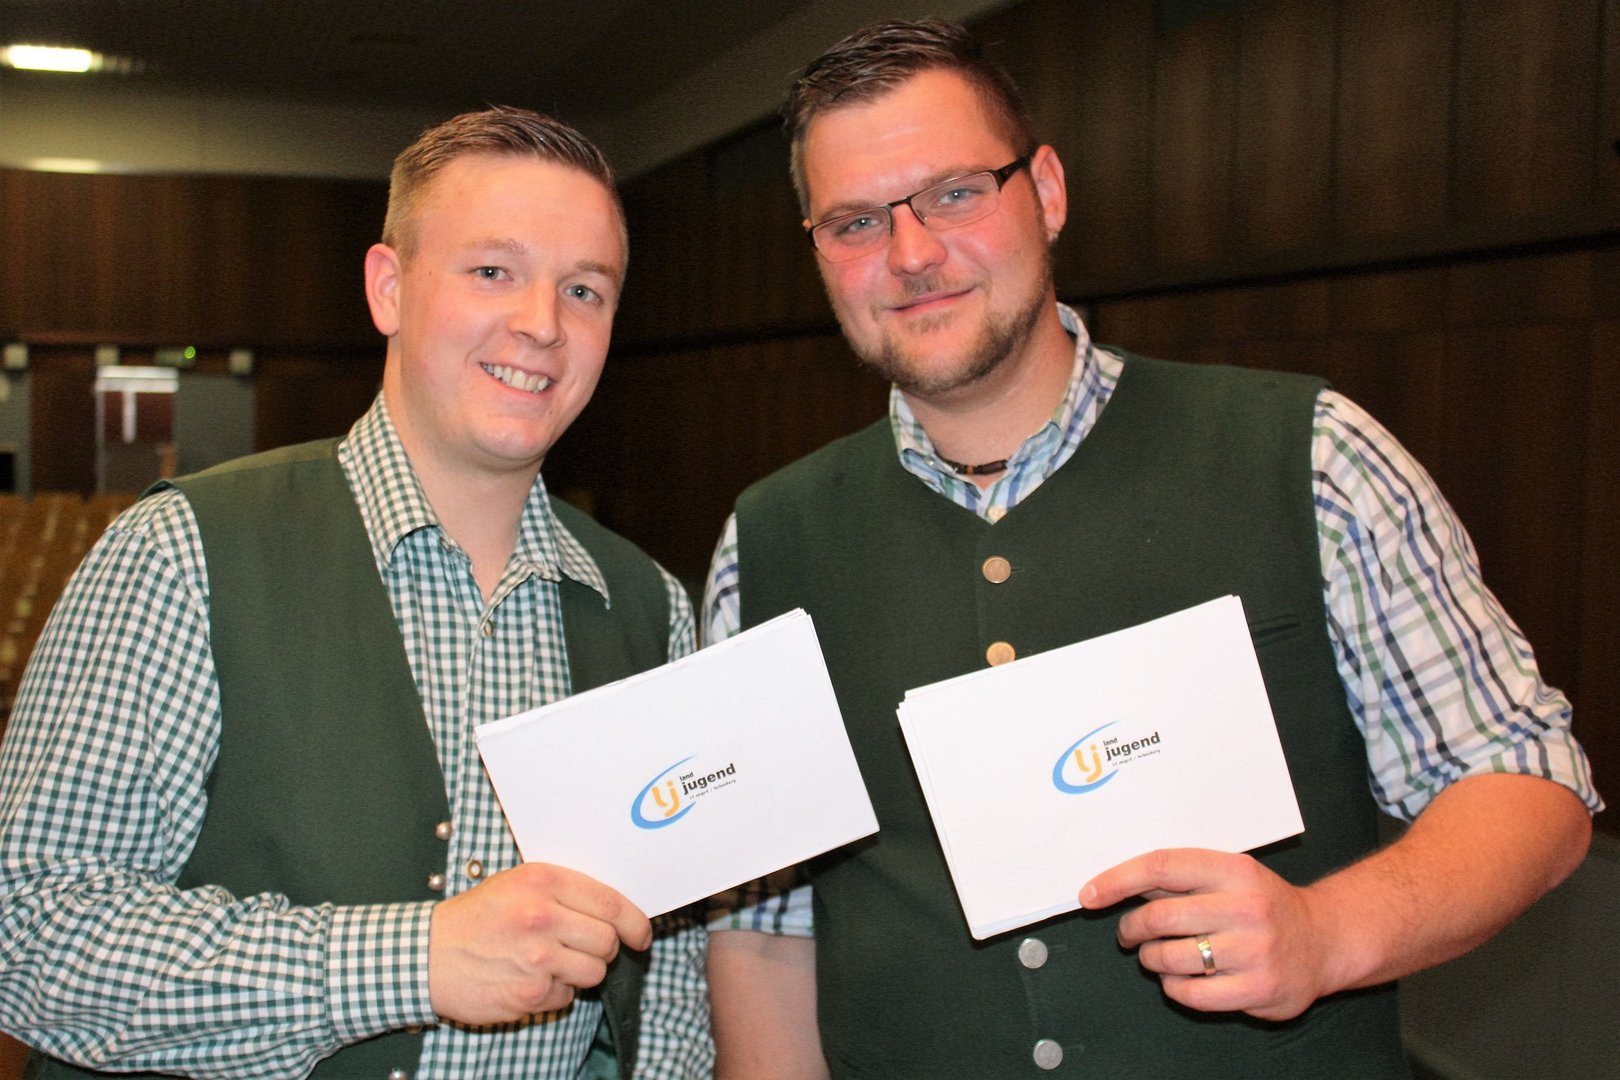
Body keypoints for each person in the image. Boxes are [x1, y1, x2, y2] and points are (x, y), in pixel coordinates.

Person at [703, 19, 1601, 1080]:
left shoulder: (1312, 457)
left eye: (954, 193)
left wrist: (1327, 933)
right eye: (855, 222)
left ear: (1046, 191)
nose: (910, 254)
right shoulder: (765, 545)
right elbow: (767, 934)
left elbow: (1524, 778)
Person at [0, 107, 713, 1079]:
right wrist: (411, 963)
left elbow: (666, 991)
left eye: (584, 289)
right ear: (388, 288)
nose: (543, 324)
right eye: (492, 271)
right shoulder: (183, 555)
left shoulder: (652, 611)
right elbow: (32, 929)